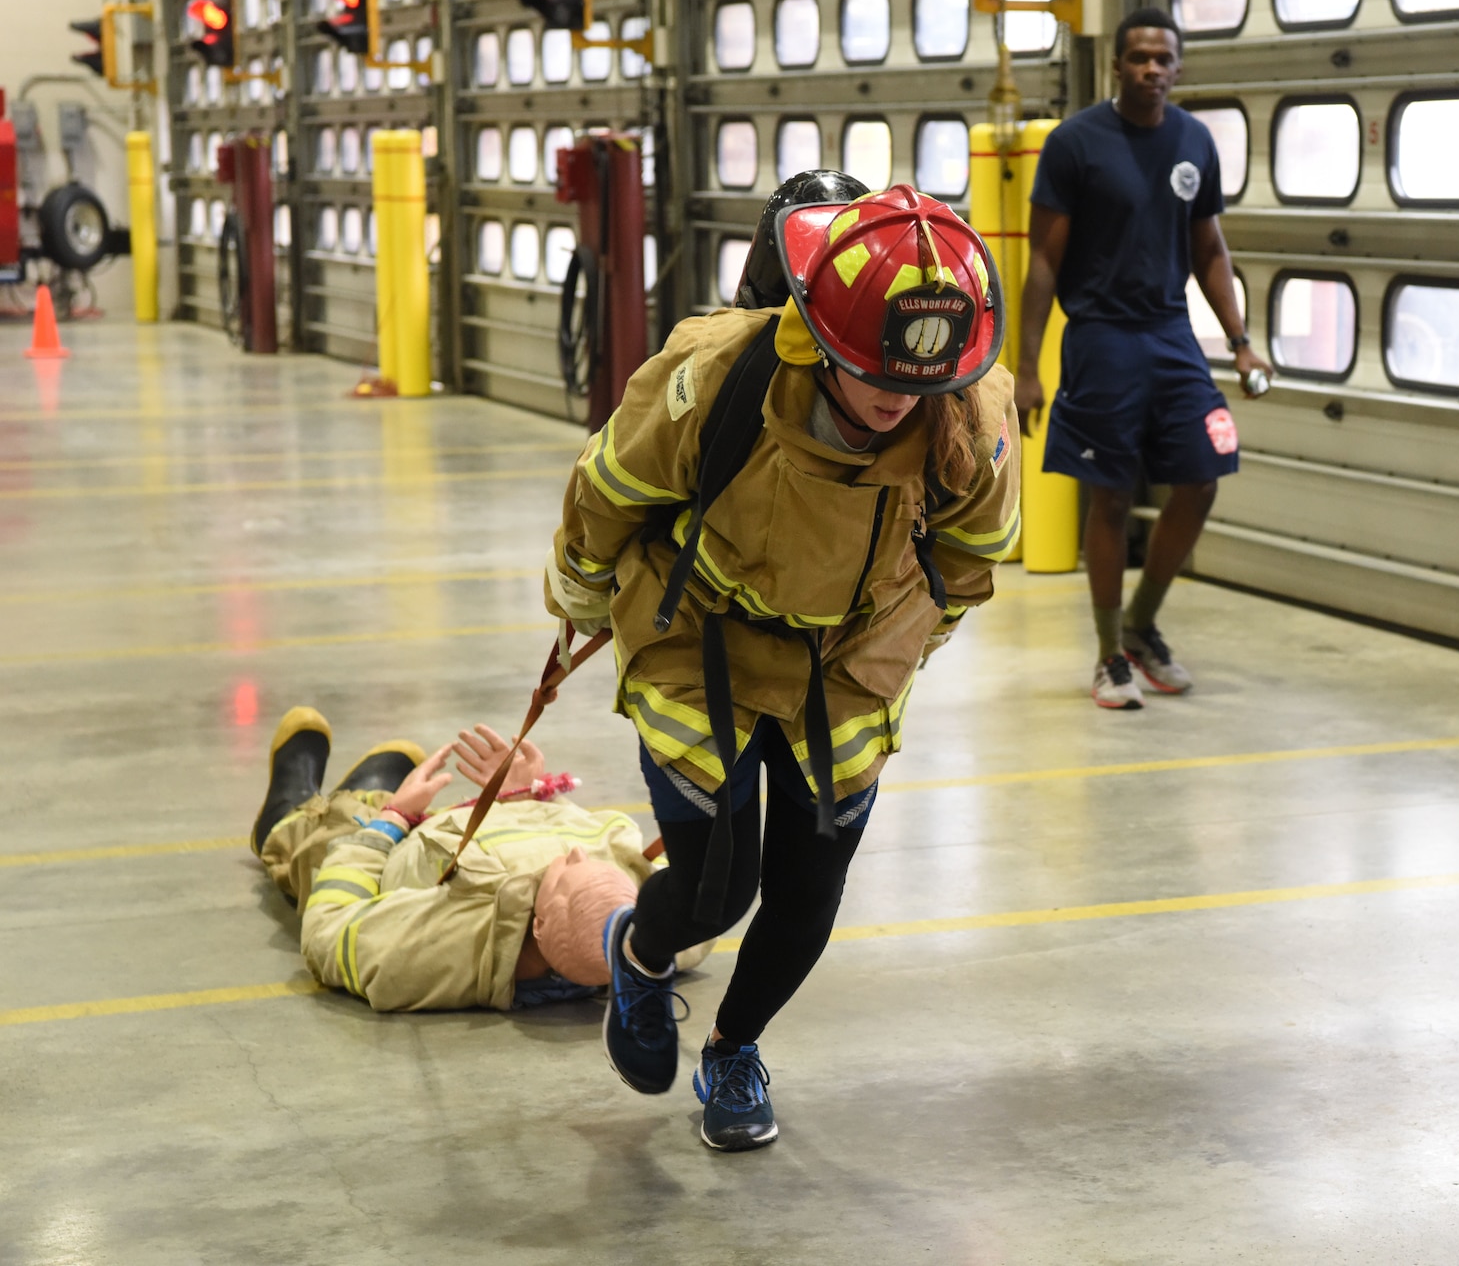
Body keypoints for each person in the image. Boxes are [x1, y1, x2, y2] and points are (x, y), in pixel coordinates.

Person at [543, 183, 1020, 1151]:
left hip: (849, 658)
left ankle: (732, 1048)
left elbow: (971, 558)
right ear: (814, 333)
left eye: (919, 383)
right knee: (719, 887)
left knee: (808, 893)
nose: (898, 399)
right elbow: (605, 493)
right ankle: (640, 955)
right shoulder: (714, 376)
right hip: (700, 645)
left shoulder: (970, 404)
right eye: (869, 372)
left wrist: (901, 647)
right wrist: (582, 597)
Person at [1015, 6, 1274, 711]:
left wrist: (1240, 338)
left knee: (1201, 478)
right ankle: (1107, 656)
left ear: (1178, 67)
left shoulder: (1193, 141)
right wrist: (1027, 367)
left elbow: (1210, 250)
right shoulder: (1076, 143)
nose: (1152, 69)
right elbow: (1042, 260)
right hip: (1100, 337)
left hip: (1170, 334)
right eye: (1139, 58)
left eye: (1164, 59)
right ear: (1117, 66)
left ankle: (1140, 626)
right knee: (1112, 495)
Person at [251, 707, 709, 1012]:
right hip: (474, 819)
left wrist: (390, 820)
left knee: (317, 836)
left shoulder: (443, 949)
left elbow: (330, 931)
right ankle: (381, 784)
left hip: (385, 841)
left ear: (539, 927)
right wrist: (528, 796)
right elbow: (702, 891)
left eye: (564, 874)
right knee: (393, 765)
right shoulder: (663, 931)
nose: (573, 853)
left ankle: (293, 817)